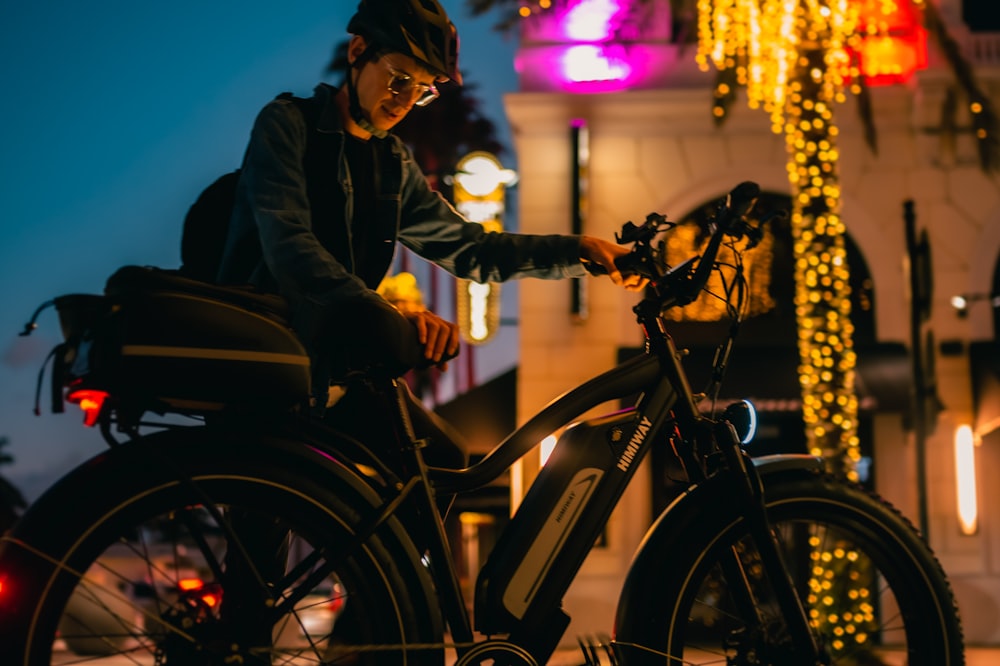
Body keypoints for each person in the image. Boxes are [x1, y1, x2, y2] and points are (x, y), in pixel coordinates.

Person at [216, 0, 645, 471]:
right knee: (265, 526)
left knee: (442, 462)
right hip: (273, 365)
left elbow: (472, 249)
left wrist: (580, 250)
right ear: (358, 51)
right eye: (399, 78)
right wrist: (383, 313)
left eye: (422, 90)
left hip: (340, 371)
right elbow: (290, 244)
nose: (404, 100)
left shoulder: (391, 163)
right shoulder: (288, 125)